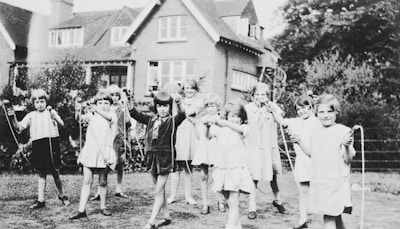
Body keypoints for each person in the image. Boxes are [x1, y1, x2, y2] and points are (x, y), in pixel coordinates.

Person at [296, 94, 355, 229]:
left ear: (336, 112)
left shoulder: (343, 131)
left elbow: (348, 159)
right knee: (335, 215)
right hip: (320, 181)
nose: (325, 115)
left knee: (328, 217)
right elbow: (313, 154)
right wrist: (299, 142)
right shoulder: (314, 132)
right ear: (316, 113)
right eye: (321, 112)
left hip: (335, 181)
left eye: (329, 111)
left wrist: (345, 146)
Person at [129, 90, 185, 229]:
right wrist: (129, 99)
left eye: (165, 106)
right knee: (159, 189)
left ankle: (151, 221)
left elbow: (182, 114)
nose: (162, 109)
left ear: (169, 107)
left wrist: (179, 102)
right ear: (156, 107)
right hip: (151, 157)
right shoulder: (150, 120)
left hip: (165, 158)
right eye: (160, 106)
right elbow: (134, 113)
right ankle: (166, 216)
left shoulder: (172, 121)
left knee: (158, 190)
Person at [8, 89, 70, 209]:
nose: (40, 104)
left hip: (52, 143)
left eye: (42, 101)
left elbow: (62, 124)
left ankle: (62, 195)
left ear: (46, 101)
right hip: (39, 145)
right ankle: (41, 200)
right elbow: (19, 126)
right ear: (33, 104)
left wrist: (55, 117)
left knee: (55, 171)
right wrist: (13, 118)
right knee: (41, 172)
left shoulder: (51, 112)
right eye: (37, 102)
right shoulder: (31, 115)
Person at [270, 95, 321, 229]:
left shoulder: (317, 122)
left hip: (316, 160)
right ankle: (303, 220)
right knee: (303, 191)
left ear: (311, 108)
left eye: (304, 108)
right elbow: (281, 121)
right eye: (298, 109)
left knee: (318, 190)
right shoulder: (296, 122)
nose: (302, 111)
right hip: (302, 161)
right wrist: (272, 109)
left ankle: (323, 218)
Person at [204, 99, 254, 229]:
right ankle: (237, 225)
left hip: (236, 169)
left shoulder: (243, 128)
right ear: (226, 116)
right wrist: (208, 126)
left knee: (233, 200)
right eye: (232, 116)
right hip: (222, 169)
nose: (235, 119)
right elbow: (208, 136)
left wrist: (225, 122)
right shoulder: (221, 130)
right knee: (227, 199)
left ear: (242, 119)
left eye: (238, 117)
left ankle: (230, 226)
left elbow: (239, 130)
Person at [69, 91, 117, 219]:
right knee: (87, 180)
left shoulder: (111, 115)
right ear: (96, 104)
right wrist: (78, 109)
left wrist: (96, 109)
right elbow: (80, 119)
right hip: (91, 150)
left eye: (106, 103)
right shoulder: (91, 115)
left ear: (110, 105)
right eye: (100, 103)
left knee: (103, 181)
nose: (103, 105)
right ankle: (81, 210)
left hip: (104, 151)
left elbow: (109, 118)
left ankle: (103, 207)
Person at [244, 82, 285, 219]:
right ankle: (252, 206)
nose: (260, 96)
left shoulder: (272, 107)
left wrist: (272, 110)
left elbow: (281, 120)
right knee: (254, 176)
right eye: (257, 94)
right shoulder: (248, 108)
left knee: (273, 175)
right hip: (254, 146)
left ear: (268, 96)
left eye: (264, 94)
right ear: (252, 95)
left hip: (269, 146)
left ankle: (277, 200)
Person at [90, 85, 132, 201]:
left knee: (120, 164)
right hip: (107, 139)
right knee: (105, 164)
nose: (114, 97)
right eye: (112, 95)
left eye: (116, 95)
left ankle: (119, 188)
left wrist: (125, 109)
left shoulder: (122, 107)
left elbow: (128, 122)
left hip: (119, 138)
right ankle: (100, 190)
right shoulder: (104, 108)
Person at [168, 79, 203, 205]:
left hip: (191, 136)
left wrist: (179, 101)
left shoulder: (199, 102)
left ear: (196, 90)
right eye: (187, 88)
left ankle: (188, 196)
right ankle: (172, 195)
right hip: (179, 134)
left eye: (192, 88)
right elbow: (176, 114)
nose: (189, 91)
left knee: (188, 169)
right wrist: (176, 102)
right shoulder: (176, 100)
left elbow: (188, 112)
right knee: (175, 169)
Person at [191, 93, 222, 214]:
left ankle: (220, 201)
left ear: (217, 107)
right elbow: (199, 136)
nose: (210, 108)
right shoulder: (203, 120)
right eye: (208, 106)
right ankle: (205, 203)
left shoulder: (220, 120)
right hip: (204, 149)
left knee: (217, 176)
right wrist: (195, 125)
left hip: (216, 149)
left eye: (213, 106)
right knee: (203, 176)